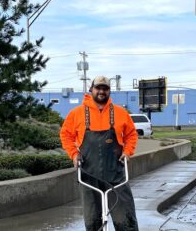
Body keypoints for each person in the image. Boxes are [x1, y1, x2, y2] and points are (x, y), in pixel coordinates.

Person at [60, 75, 139, 231]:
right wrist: (74, 154)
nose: (101, 91)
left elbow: (131, 134)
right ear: (91, 90)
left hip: (116, 175)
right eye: (98, 88)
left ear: (109, 91)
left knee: (126, 220)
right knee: (92, 221)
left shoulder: (120, 113)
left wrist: (128, 151)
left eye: (105, 88)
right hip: (89, 176)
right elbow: (65, 135)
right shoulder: (77, 113)